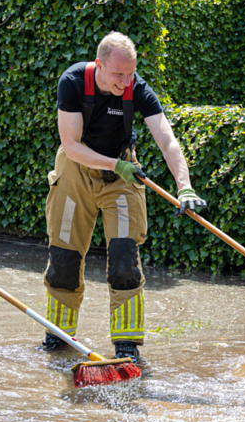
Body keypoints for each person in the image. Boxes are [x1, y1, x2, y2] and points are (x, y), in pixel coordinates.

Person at [41, 31, 205, 363]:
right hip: (76, 169)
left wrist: (184, 185)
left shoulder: (136, 89)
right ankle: (58, 334)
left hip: (121, 174)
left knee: (124, 258)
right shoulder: (72, 82)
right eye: (118, 74)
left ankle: (127, 345)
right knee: (65, 257)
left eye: (130, 73)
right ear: (99, 64)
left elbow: (166, 138)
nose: (126, 81)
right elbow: (71, 145)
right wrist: (115, 165)